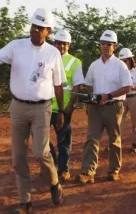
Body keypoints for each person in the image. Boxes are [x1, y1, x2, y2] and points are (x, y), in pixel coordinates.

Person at [0, 8, 66, 213]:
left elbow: (58, 85)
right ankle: (25, 202)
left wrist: (61, 110)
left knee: (40, 152)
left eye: (40, 28)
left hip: (42, 108)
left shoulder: (53, 53)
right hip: (18, 106)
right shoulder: (16, 46)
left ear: (48, 31)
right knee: (18, 157)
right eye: (33, 26)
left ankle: (54, 182)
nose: (35, 30)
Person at [76, 30, 132, 184]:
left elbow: (127, 87)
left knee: (114, 140)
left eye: (108, 44)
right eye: (102, 44)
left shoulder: (120, 65)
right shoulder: (94, 65)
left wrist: (108, 96)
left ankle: (114, 170)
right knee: (92, 138)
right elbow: (88, 84)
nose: (105, 47)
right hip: (95, 107)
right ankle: (88, 171)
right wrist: (90, 95)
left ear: (115, 46)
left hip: (113, 106)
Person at [49, 30, 85, 181]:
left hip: (63, 109)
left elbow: (76, 86)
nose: (61, 46)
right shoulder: (47, 58)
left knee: (63, 141)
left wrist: (70, 106)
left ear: (69, 45)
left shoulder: (75, 62)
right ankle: (51, 164)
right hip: (44, 107)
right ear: (54, 43)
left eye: (64, 43)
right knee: (40, 140)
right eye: (58, 43)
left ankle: (64, 170)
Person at [118, 48, 136, 152]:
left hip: (134, 98)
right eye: (121, 61)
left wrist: (131, 87)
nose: (124, 63)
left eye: (125, 60)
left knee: (135, 122)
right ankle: (115, 144)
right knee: (118, 122)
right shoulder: (118, 72)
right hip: (122, 98)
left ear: (130, 60)